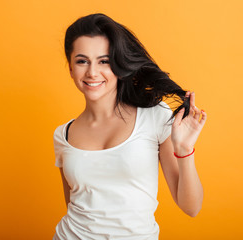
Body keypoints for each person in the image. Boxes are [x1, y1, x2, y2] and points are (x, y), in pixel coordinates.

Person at [52, 13, 207, 240]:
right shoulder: (62, 135)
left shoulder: (155, 116)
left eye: (104, 61)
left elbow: (191, 207)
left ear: (118, 65)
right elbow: (74, 206)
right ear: (70, 68)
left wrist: (184, 151)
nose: (92, 72)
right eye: (82, 61)